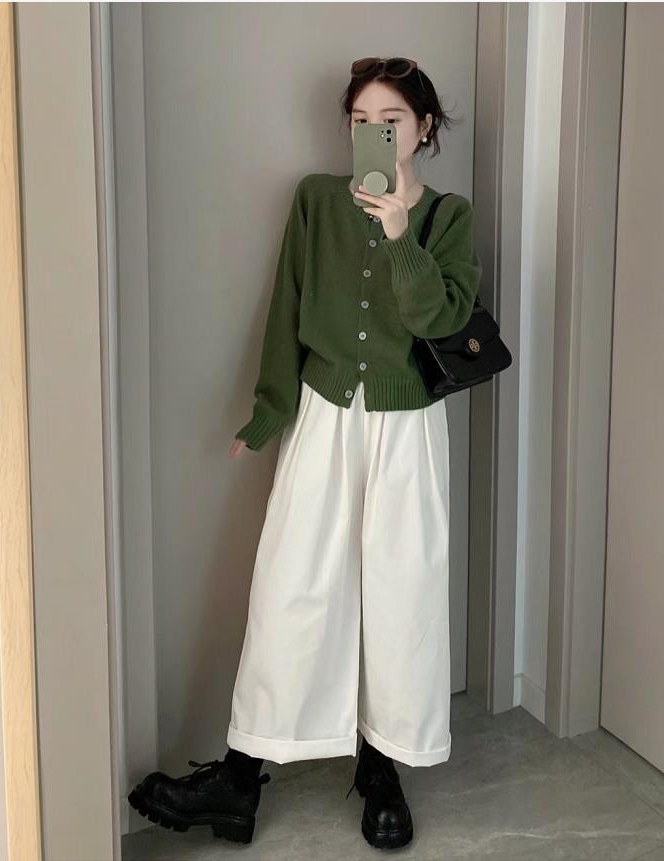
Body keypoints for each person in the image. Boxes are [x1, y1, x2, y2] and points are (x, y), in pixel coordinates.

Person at [128, 56, 481, 852]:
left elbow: (440, 318)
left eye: (390, 119)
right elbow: (288, 302)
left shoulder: (448, 217)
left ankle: (382, 769)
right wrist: (269, 408)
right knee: (291, 588)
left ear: (424, 128)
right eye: (360, 120)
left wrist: (400, 232)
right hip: (323, 415)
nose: (372, 132)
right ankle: (239, 778)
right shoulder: (317, 199)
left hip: (407, 429)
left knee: (399, 595)